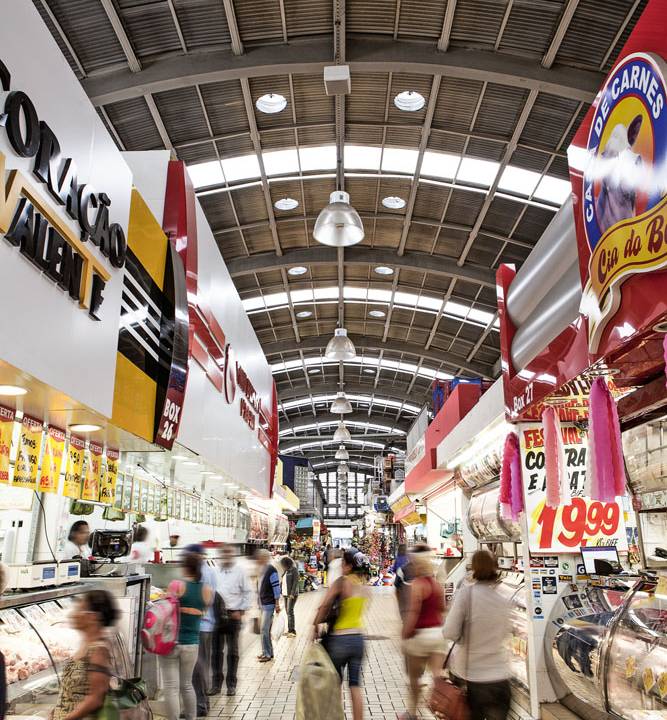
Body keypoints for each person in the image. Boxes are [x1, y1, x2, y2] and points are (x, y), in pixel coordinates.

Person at [443, 550, 512, 720]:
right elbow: (507, 632)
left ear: (473, 568)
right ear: (496, 567)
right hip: (501, 676)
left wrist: (464, 637)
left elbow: (449, 632)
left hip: (475, 677)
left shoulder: (466, 594)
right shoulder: (504, 596)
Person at [313, 550, 371, 720]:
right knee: (355, 685)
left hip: (339, 640)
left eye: (343, 564)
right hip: (358, 639)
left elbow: (324, 606)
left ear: (348, 566)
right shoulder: (363, 583)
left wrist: (315, 625)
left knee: (335, 684)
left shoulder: (341, 583)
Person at [160, 552, 213, 720]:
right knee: (187, 685)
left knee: (171, 687)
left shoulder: (176, 585)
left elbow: (165, 610)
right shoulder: (207, 589)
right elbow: (201, 611)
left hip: (171, 642)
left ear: (185, 567)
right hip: (192, 643)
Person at [51, 589, 119, 720]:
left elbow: (96, 698)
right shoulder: (87, 645)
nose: (73, 614)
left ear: (93, 617)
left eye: (79, 609)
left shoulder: (98, 650)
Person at [401, 545, 445, 720]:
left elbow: (413, 612)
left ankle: (412, 713)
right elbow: (442, 608)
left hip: (420, 637)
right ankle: (443, 709)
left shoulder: (417, 585)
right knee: (437, 677)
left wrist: (405, 632)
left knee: (414, 678)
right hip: (437, 635)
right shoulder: (436, 585)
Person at [210, 544, 253, 696]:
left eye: (229, 553)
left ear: (233, 555)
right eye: (224, 553)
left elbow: (248, 592)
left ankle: (231, 685)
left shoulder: (240, 572)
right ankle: (216, 684)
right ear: (221, 555)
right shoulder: (214, 572)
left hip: (233, 615)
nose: (226, 556)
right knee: (216, 652)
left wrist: (241, 611)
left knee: (233, 652)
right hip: (216, 616)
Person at [187, 544, 219, 718]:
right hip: (206, 625)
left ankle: (200, 705)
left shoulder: (203, 574)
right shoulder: (209, 570)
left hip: (201, 625)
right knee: (202, 666)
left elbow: (204, 601)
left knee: (196, 667)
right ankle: (203, 703)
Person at [255, 549, 281, 662]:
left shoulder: (271, 570)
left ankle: (267, 654)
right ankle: (268, 652)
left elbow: (276, 588)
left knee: (264, 630)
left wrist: (277, 603)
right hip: (263, 604)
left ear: (265, 558)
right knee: (265, 630)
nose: (258, 559)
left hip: (269, 604)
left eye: (260, 557)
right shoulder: (262, 569)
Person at [279, 556, 299, 637]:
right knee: (288, 612)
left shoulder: (293, 570)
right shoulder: (285, 571)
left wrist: (292, 594)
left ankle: (292, 631)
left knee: (290, 612)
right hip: (285, 594)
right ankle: (289, 629)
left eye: (283, 564)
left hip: (291, 595)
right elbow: (283, 582)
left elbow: (295, 582)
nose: (282, 566)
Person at [391, 544, 412, 619]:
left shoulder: (397, 558)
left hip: (399, 579)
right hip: (408, 580)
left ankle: (402, 615)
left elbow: (394, 569)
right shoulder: (408, 558)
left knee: (400, 598)